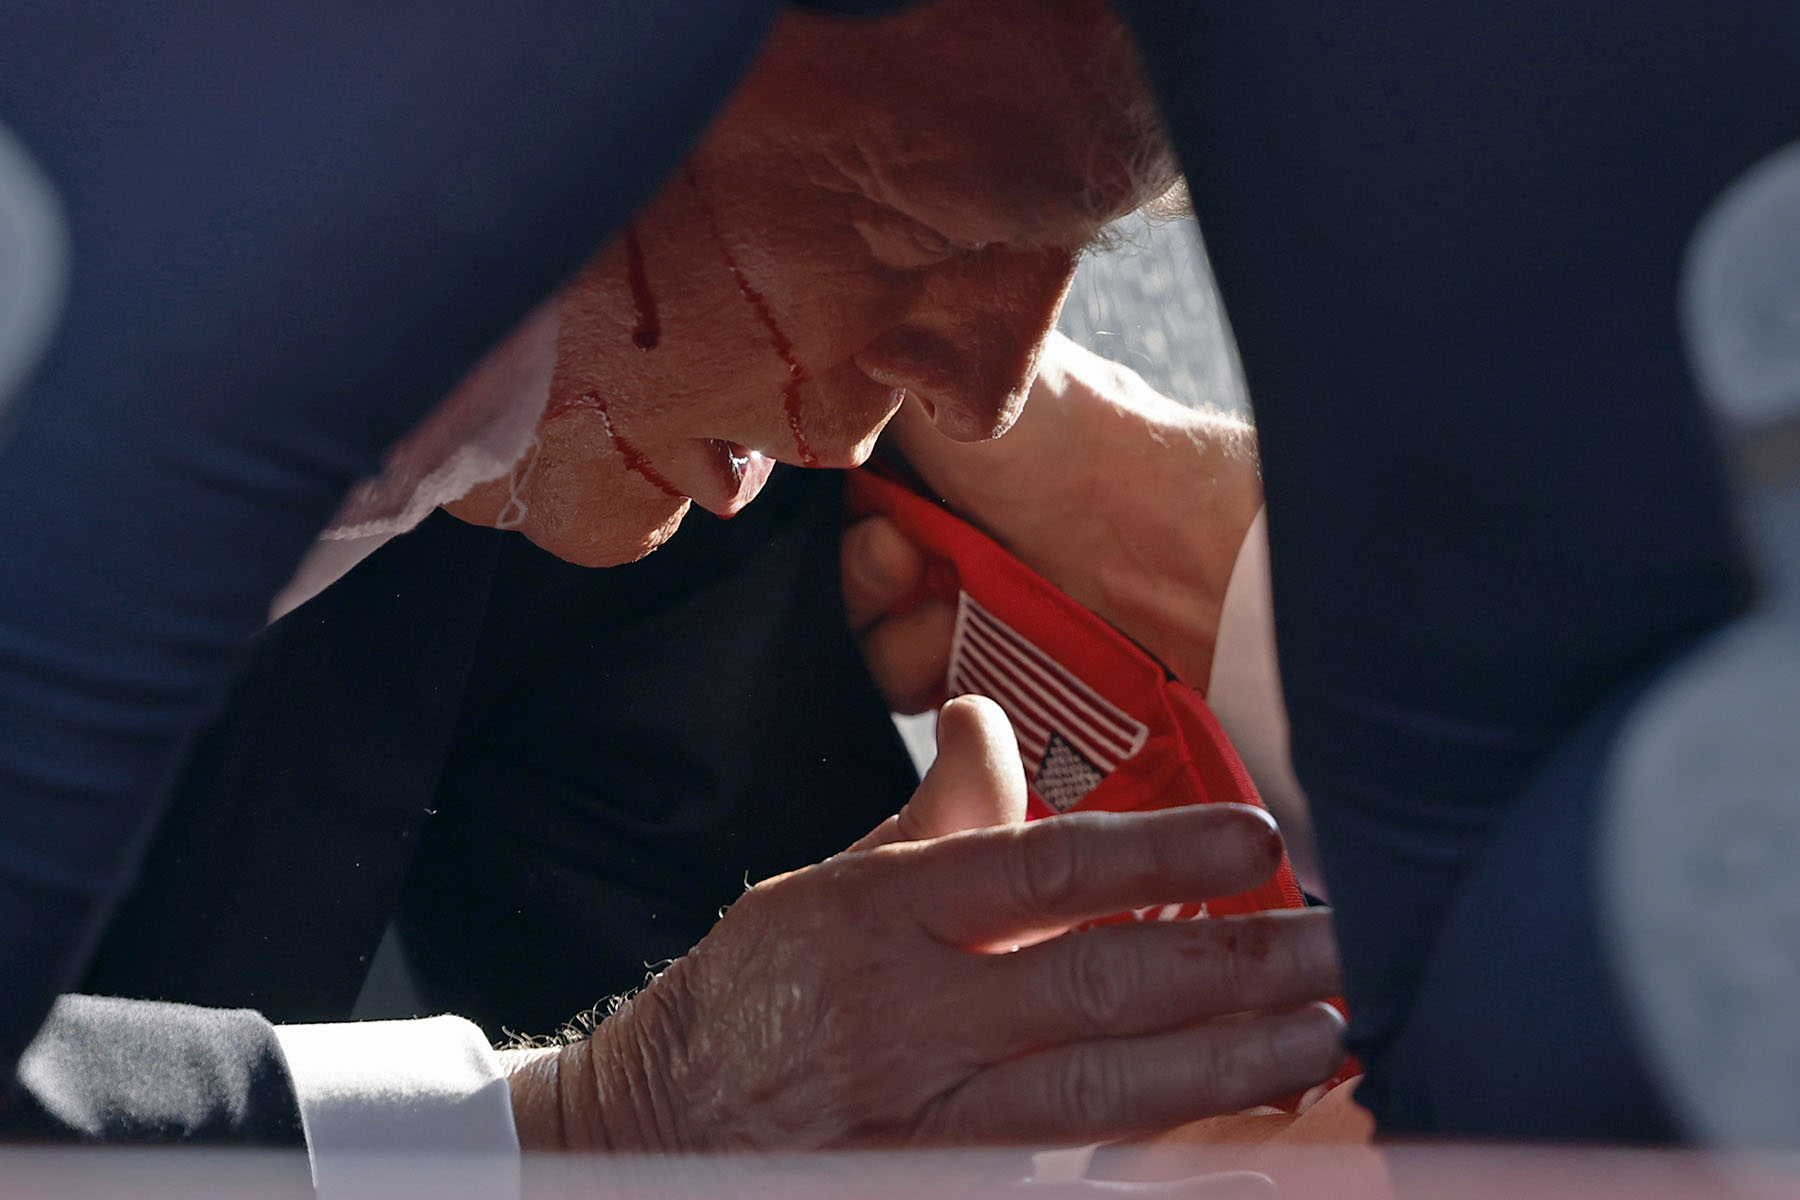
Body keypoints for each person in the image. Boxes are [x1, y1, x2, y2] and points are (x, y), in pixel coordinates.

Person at [0, 0, 1347, 1172]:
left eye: (1077, 250)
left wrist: (1187, 549)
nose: (991, 394)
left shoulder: (651, 369)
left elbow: (794, 1049)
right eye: (912, 232)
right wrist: (593, 1134)